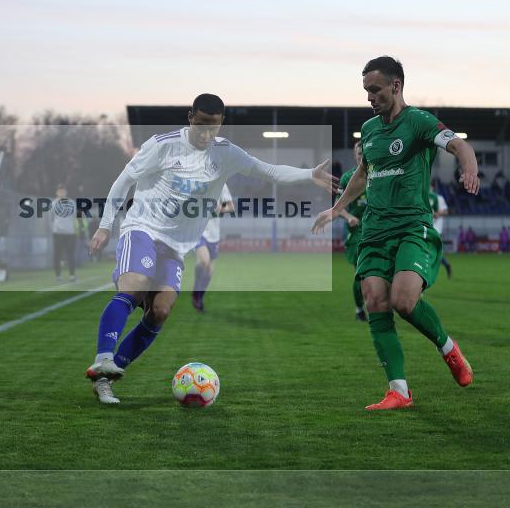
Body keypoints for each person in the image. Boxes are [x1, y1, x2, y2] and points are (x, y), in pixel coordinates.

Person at [85, 93, 337, 404]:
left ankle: (106, 380)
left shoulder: (226, 153)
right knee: (135, 285)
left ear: (221, 125)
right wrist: (106, 225)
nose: (206, 133)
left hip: (176, 247)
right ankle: (104, 356)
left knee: (160, 311)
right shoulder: (163, 145)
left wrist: (308, 174)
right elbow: (124, 181)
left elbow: (268, 171)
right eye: (201, 125)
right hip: (143, 228)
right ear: (190, 117)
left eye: (213, 127)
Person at [312, 56, 478, 411]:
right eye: (366, 91)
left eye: (375, 90)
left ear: (396, 86)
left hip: (410, 227)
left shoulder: (417, 122)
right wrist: (337, 207)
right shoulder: (370, 130)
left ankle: (448, 349)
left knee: (404, 301)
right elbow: (361, 175)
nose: (370, 97)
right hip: (374, 230)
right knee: (375, 301)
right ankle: (398, 390)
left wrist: (470, 170)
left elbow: (459, 145)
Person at [337, 141, 369, 321]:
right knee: (361, 273)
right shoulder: (347, 178)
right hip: (356, 234)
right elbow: (337, 207)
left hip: (378, 231)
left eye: (364, 153)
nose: (362, 156)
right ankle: (359, 309)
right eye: (359, 153)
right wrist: (348, 217)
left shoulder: (379, 175)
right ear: (354, 155)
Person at [190, 184, 234, 312]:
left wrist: (220, 209)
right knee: (204, 260)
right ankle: (196, 288)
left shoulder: (222, 185)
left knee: (209, 271)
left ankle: (199, 296)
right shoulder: (196, 182)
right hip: (198, 231)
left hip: (214, 234)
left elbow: (231, 207)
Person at [51, 184, 78, 283]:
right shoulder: (53, 204)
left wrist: (77, 229)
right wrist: (53, 228)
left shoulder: (72, 203)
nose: (61, 193)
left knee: (71, 255)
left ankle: (72, 275)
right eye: (59, 191)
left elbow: (76, 217)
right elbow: (50, 218)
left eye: (63, 191)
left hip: (70, 233)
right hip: (57, 233)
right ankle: (58, 275)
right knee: (57, 255)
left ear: (66, 192)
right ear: (57, 192)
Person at [429, 181, 452, 279]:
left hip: (436, 229)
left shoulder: (438, 198)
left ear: (432, 187)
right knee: (431, 252)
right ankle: (446, 264)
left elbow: (446, 211)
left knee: (429, 252)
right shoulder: (424, 196)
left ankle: (423, 280)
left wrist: (437, 214)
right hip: (427, 228)